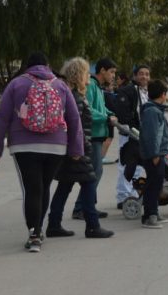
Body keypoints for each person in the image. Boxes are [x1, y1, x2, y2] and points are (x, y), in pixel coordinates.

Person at [0, 53, 84, 252]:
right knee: (44, 186)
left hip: (24, 146)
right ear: (48, 66)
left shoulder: (16, 84)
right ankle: (38, 231)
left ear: (26, 67)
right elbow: (74, 119)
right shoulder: (60, 85)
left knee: (32, 189)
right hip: (56, 146)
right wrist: (76, 148)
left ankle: (34, 235)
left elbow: (2, 118)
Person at [47, 57, 114, 239]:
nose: (88, 75)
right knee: (89, 182)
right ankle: (92, 225)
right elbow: (75, 126)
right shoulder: (74, 96)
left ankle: (54, 224)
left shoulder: (73, 94)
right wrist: (79, 149)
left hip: (74, 148)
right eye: (85, 72)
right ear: (78, 75)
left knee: (65, 185)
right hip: (78, 149)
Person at [73, 57, 118, 220]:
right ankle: (82, 207)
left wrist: (110, 114)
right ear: (102, 71)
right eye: (111, 72)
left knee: (94, 172)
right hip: (92, 135)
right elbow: (88, 109)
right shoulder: (91, 85)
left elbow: (101, 107)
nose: (113, 76)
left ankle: (86, 205)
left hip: (98, 134)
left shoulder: (98, 87)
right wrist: (105, 118)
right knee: (94, 172)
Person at [113, 64, 150, 209]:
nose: (144, 76)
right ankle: (123, 197)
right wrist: (131, 129)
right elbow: (123, 113)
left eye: (147, 74)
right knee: (126, 166)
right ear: (134, 75)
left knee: (138, 167)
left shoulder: (147, 92)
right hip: (130, 134)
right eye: (141, 73)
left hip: (143, 136)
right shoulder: (127, 90)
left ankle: (134, 194)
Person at [139, 80, 168, 229]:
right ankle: (149, 216)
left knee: (157, 184)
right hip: (154, 154)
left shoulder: (155, 110)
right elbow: (151, 135)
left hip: (158, 153)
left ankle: (154, 212)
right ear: (163, 94)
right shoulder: (152, 111)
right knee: (153, 185)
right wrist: (155, 154)